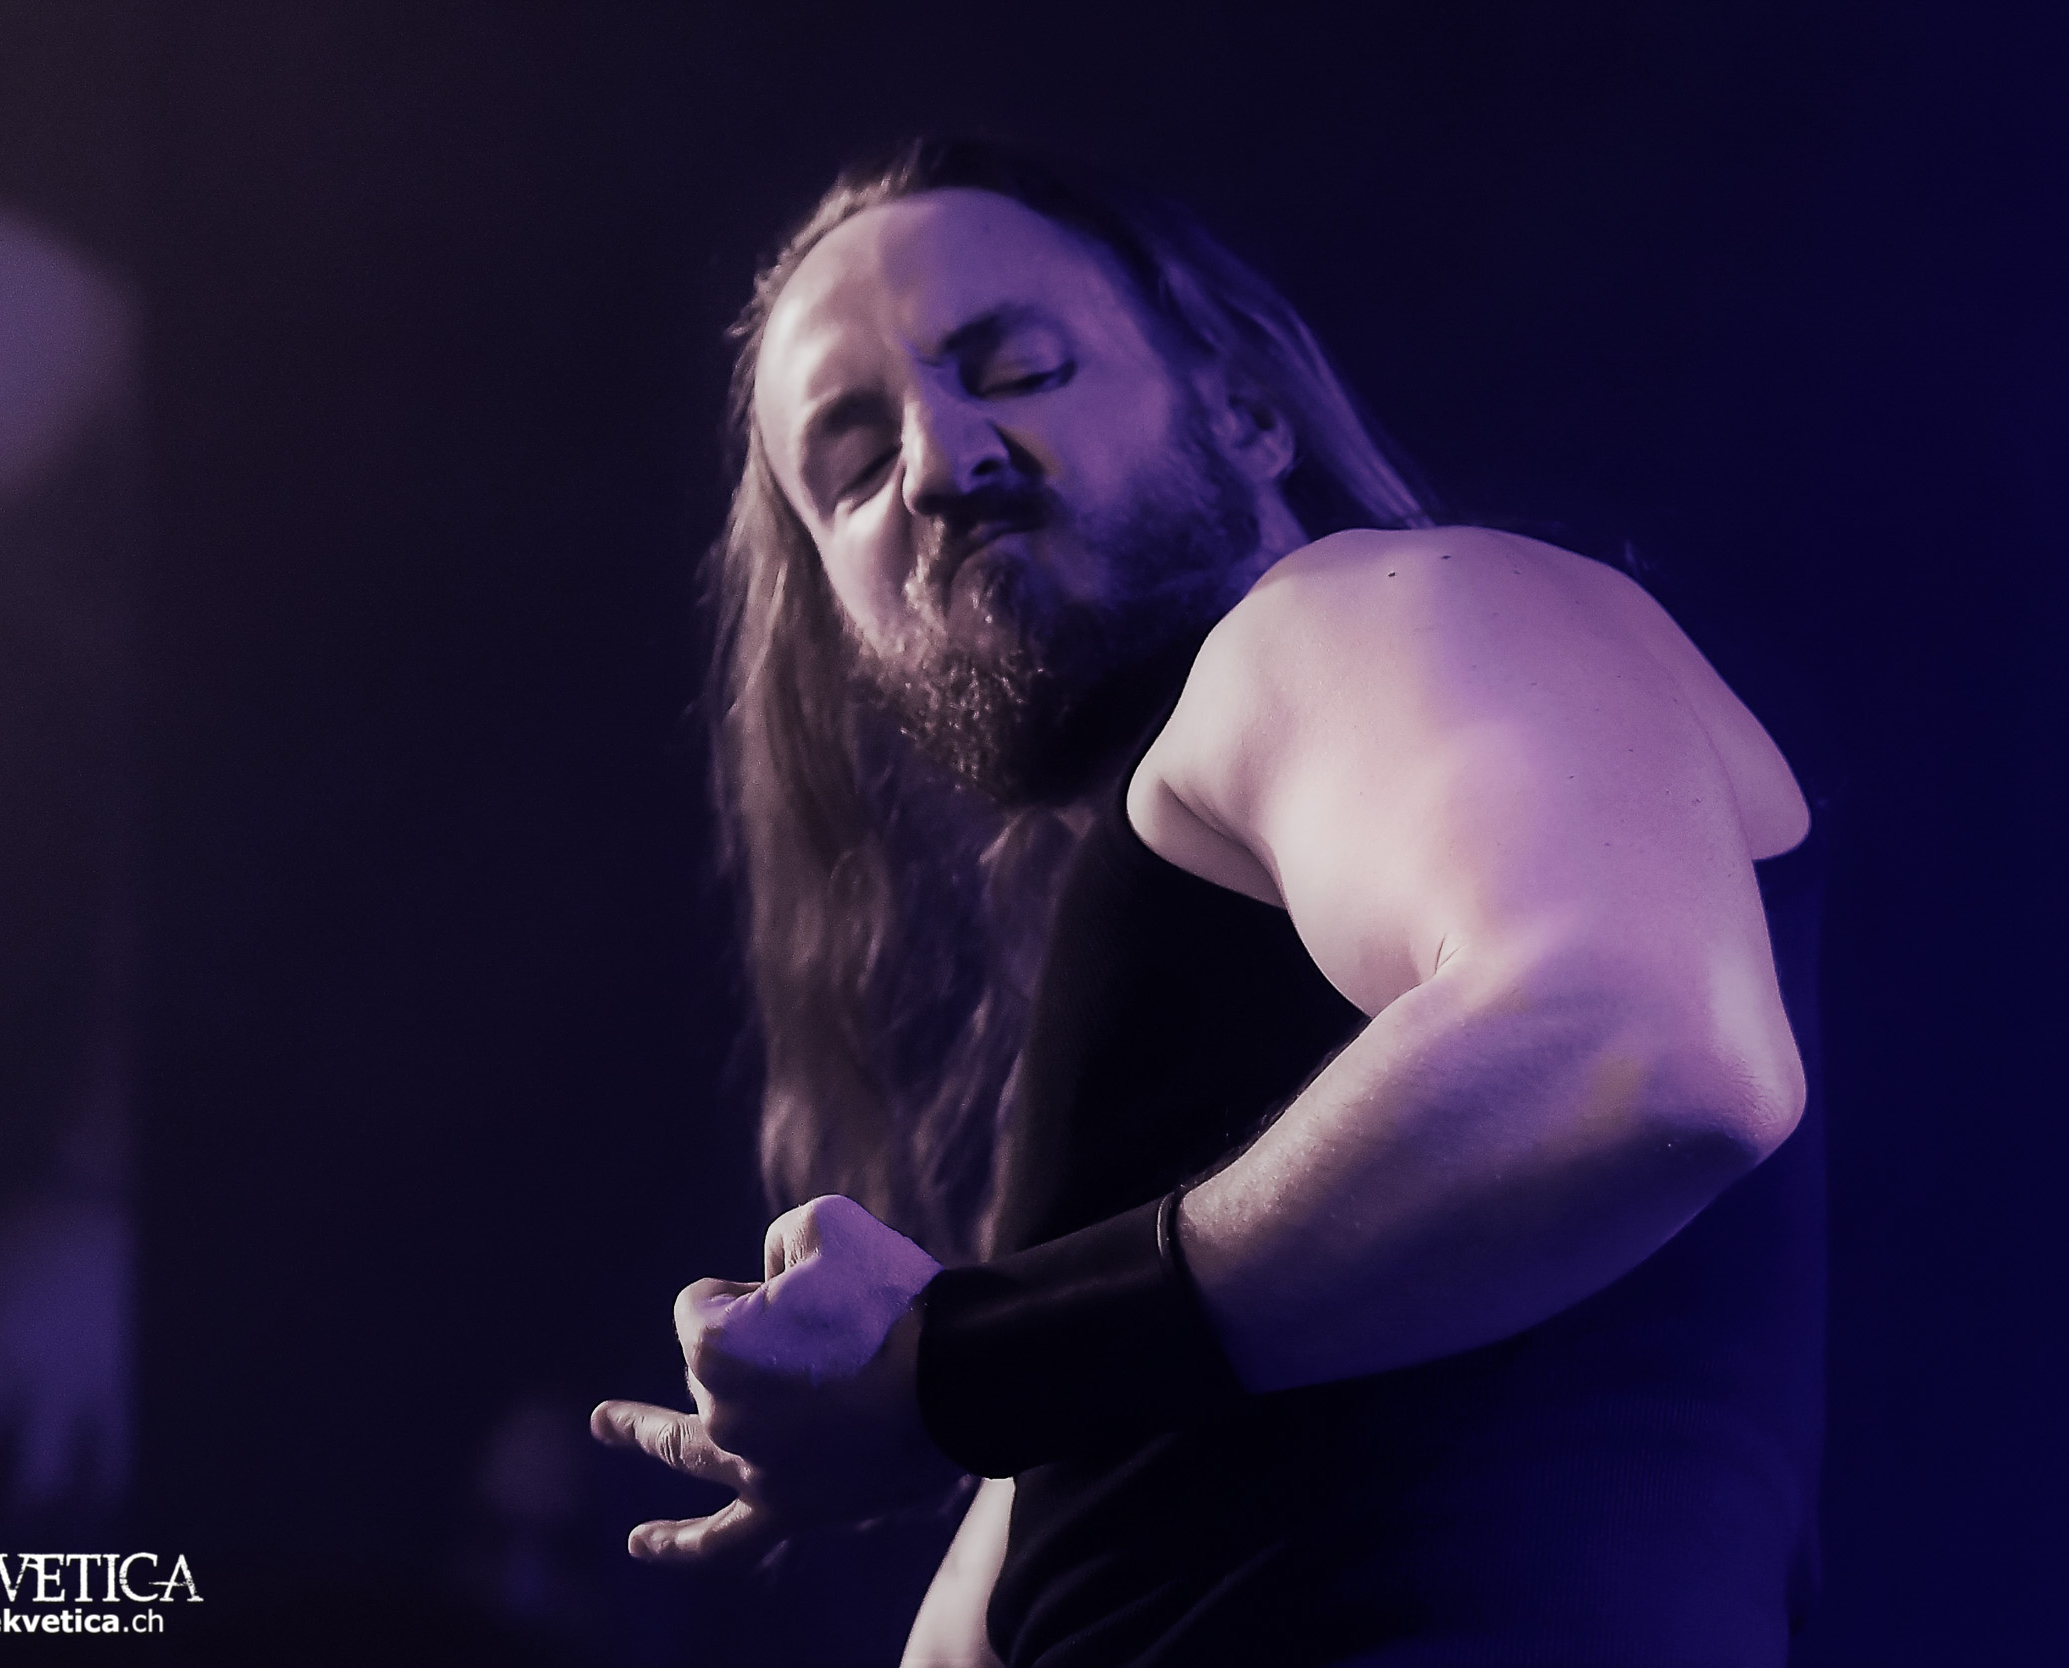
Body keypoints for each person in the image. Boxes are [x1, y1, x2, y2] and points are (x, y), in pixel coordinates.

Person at [592, 138, 1825, 1668]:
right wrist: (917, 1389)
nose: (940, 464)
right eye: (851, 469)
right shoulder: (1192, 1062)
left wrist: (957, 1371)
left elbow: (1643, 1043)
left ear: (1244, 409)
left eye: (1017, 369)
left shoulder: (1375, 609)